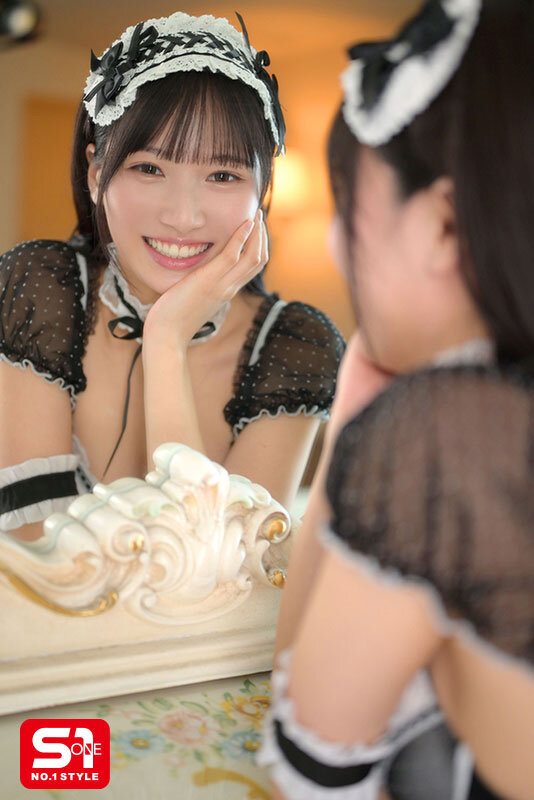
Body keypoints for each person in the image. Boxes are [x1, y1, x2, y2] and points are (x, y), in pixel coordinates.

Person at [260, 1, 534, 798]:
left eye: (349, 203)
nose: (336, 243)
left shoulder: (450, 440)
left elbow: (310, 769)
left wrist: (359, 430)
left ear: (443, 225)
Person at [0, 11, 345, 541]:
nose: (184, 217)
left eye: (223, 175)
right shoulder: (41, 294)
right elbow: (32, 557)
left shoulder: (293, 349)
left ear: (261, 192)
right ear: (96, 173)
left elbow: (214, 577)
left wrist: (166, 339)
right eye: (150, 168)